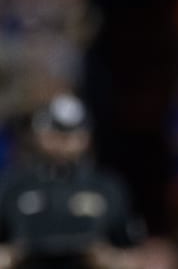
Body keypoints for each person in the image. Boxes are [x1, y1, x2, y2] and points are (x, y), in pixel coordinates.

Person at [0, 93, 148, 269]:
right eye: (55, 131)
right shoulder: (12, 185)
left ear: (86, 136)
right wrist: (11, 255)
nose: (63, 141)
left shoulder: (107, 187)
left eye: (71, 133)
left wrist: (110, 258)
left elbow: (134, 252)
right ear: (37, 133)